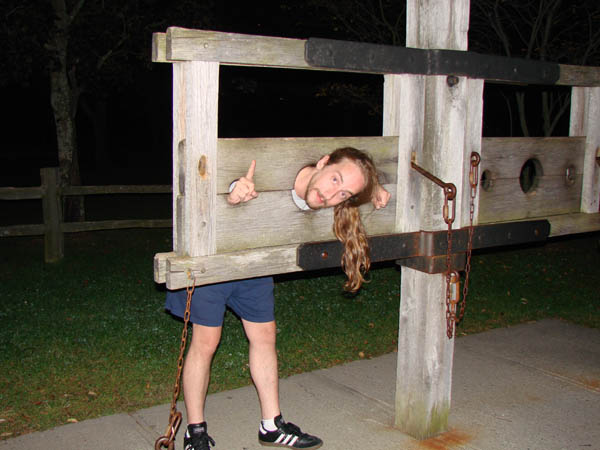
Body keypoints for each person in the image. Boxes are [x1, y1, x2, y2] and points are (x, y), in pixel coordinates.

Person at [165, 147, 391, 450]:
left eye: (344, 193)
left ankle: (271, 426)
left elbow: (351, 185)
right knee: (206, 341)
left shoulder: (337, 197)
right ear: (322, 161)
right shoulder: (272, 165)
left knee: (264, 336)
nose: (333, 194)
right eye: (334, 179)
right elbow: (217, 177)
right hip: (213, 254)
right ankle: (195, 431)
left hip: (257, 261)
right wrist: (233, 191)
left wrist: (375, 188)